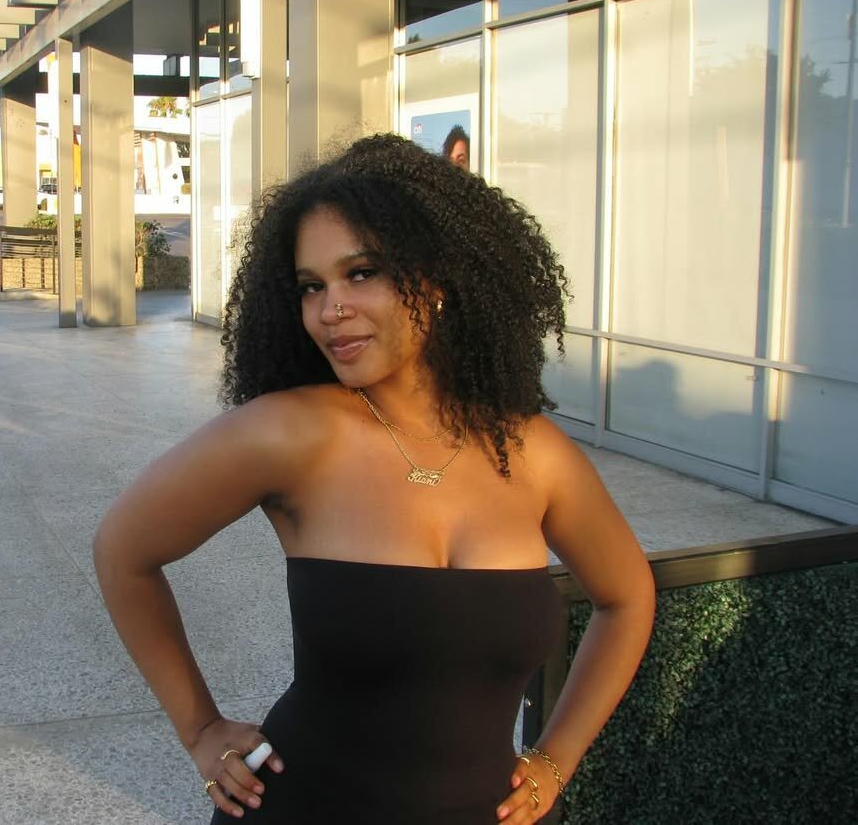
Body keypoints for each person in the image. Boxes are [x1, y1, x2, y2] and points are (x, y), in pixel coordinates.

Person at [94, 134, 654, 823]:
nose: (330, 309)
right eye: (311, 286)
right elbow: (123, 551)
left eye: (361, 273)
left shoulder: (533, 452)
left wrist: (556, 757)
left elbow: (627, 598)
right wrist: (200, 727)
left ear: (438, 278)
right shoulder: (288, 434)